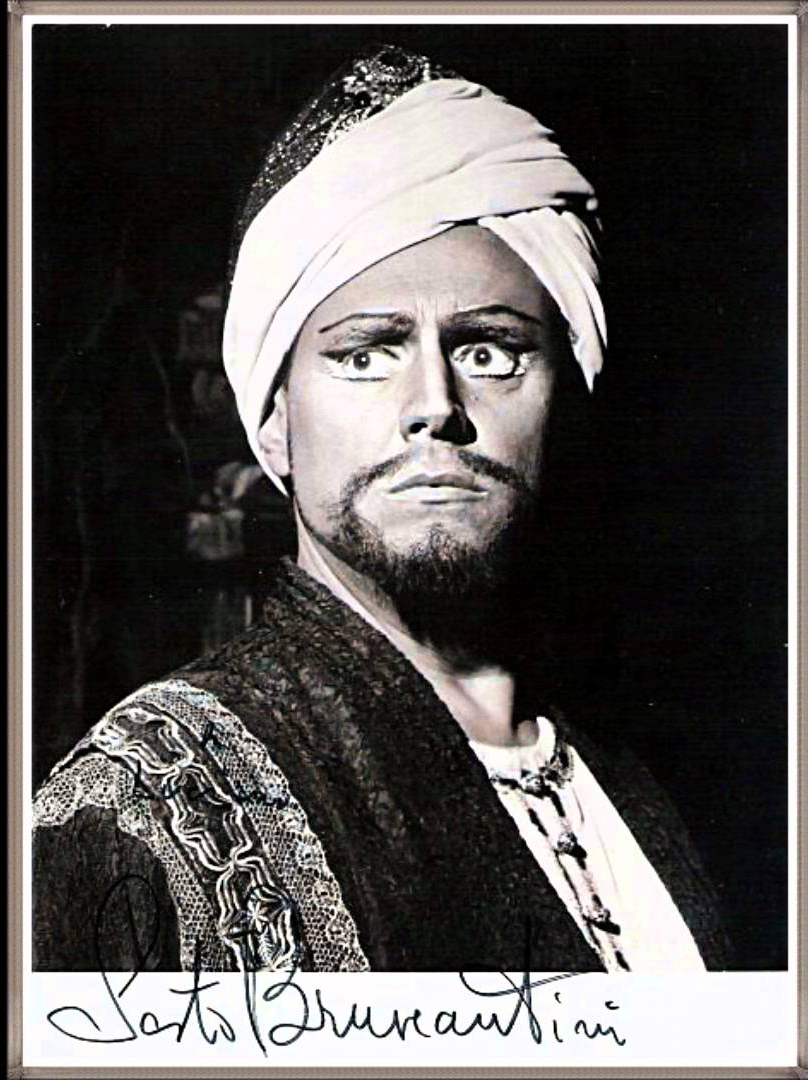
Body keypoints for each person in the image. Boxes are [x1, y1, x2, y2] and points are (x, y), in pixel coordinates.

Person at [32, 43, 731, 974]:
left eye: (490, 351)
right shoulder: (142, 810)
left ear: (561, 402)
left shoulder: (637, 780)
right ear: (275, 424)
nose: (435, 404)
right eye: (365, 355)